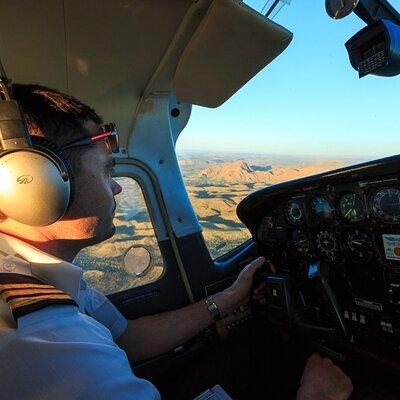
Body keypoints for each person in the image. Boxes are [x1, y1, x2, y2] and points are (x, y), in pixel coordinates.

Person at [0, 84, 353, 400]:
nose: (117, 186)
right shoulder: (46, 343)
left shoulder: (41, 278)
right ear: (36, 185)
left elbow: (129, 339)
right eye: (107, 170)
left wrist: (230, 298)